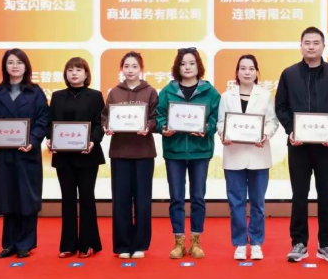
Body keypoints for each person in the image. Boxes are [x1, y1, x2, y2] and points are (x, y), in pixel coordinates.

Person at [275, 26, 328, 263]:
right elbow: (281, 107)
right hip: (298, 145)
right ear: (300, 46)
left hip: (327, 146)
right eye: (307, 42)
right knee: (299, 195)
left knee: (326, 195)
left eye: (316, 43)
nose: (311, 47)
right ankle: (298, 243)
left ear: (323, 46)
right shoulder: (289, 74)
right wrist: (291, 130)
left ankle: (326, 244)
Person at [0, 49, 49, 258]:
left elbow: (43, 121)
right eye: (11, 62)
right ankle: (9, 243)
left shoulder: (36, 93)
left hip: (26, 154)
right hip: (4, 156)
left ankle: (26, 243)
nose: (15, 66)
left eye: (19, 62)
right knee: (7, 198)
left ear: (26, 66)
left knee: (27, 199)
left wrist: (33, 141)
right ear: (5, 66)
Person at [156, 48, 220, 259]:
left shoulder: (210, 92)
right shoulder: (167, 91)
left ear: (198, 66)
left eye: (192, 63)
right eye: (183, 63)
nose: (187, 67)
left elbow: (216, 117)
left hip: (200, 151)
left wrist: (207, 128)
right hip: (174, 151)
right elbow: (159, 115)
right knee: (176, 198)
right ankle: (178, 242)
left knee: (198, 197)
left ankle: (195, 242)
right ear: (177, 67)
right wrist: (163, 127)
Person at [217, 54, 279, 260]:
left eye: (251, 68)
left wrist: (265, 135)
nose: (247, 72)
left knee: (258, 203)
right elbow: (220, 122)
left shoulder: (265, 95)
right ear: (237, 72)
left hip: (258, 155)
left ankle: (257, 243)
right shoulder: (226, 96)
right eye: (243, 68)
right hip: (233, 154)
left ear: (256, 72)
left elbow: (272, 122)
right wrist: (223, 134)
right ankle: (240, 243)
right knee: (236, 203)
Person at [101, 51, 158, 259]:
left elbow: (155, 117)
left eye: (134, 66)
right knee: (121, 200)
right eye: (126, 66)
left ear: (141, 69)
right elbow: (105, 116)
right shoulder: (114, 92)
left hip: (144, 152)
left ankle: (140, 245)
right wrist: (107, 126)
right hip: (120, 152)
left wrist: (148, 126)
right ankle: (123, 245)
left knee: (142, 201)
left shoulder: (150, 91)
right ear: (121, 69)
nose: (130, 70)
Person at [47, 57, 105, 258]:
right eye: (70, 69)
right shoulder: (57, 96)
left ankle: (87, 244)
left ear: (86, 74)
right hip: (63, 157)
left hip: (87, 155)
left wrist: (93, 141)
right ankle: (68, 244)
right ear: (65, 74)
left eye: (79, 69)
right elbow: (50, 123)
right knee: (68, 199)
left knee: (87, 198)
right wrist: (49, 139)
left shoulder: (95, 96)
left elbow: (100, 123)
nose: (74, 73)